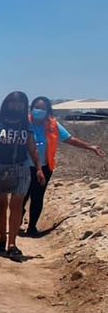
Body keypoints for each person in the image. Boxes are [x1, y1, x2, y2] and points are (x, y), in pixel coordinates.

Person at [23, 96, 105, 236]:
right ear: (31, 108)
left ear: (48, 110)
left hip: (45, 166)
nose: (39, 110)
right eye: (37, 107)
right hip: (23, 166)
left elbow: (69, 139)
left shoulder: (53, 125)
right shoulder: (23, 123)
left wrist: (90, 147)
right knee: (22, 195)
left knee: (37, 196)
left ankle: (32, 227)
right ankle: (16, 219)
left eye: (43, 108)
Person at [0, 91, 44, 260]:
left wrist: (38, 168)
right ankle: (2, 238)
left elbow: (32, 147)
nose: (16, 106)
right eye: (13, 102)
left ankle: (12, 244)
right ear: (6, 103)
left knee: (16, 206)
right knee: (0, 206)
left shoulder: (25, 125)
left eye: (20, 103)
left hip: (21, 168)